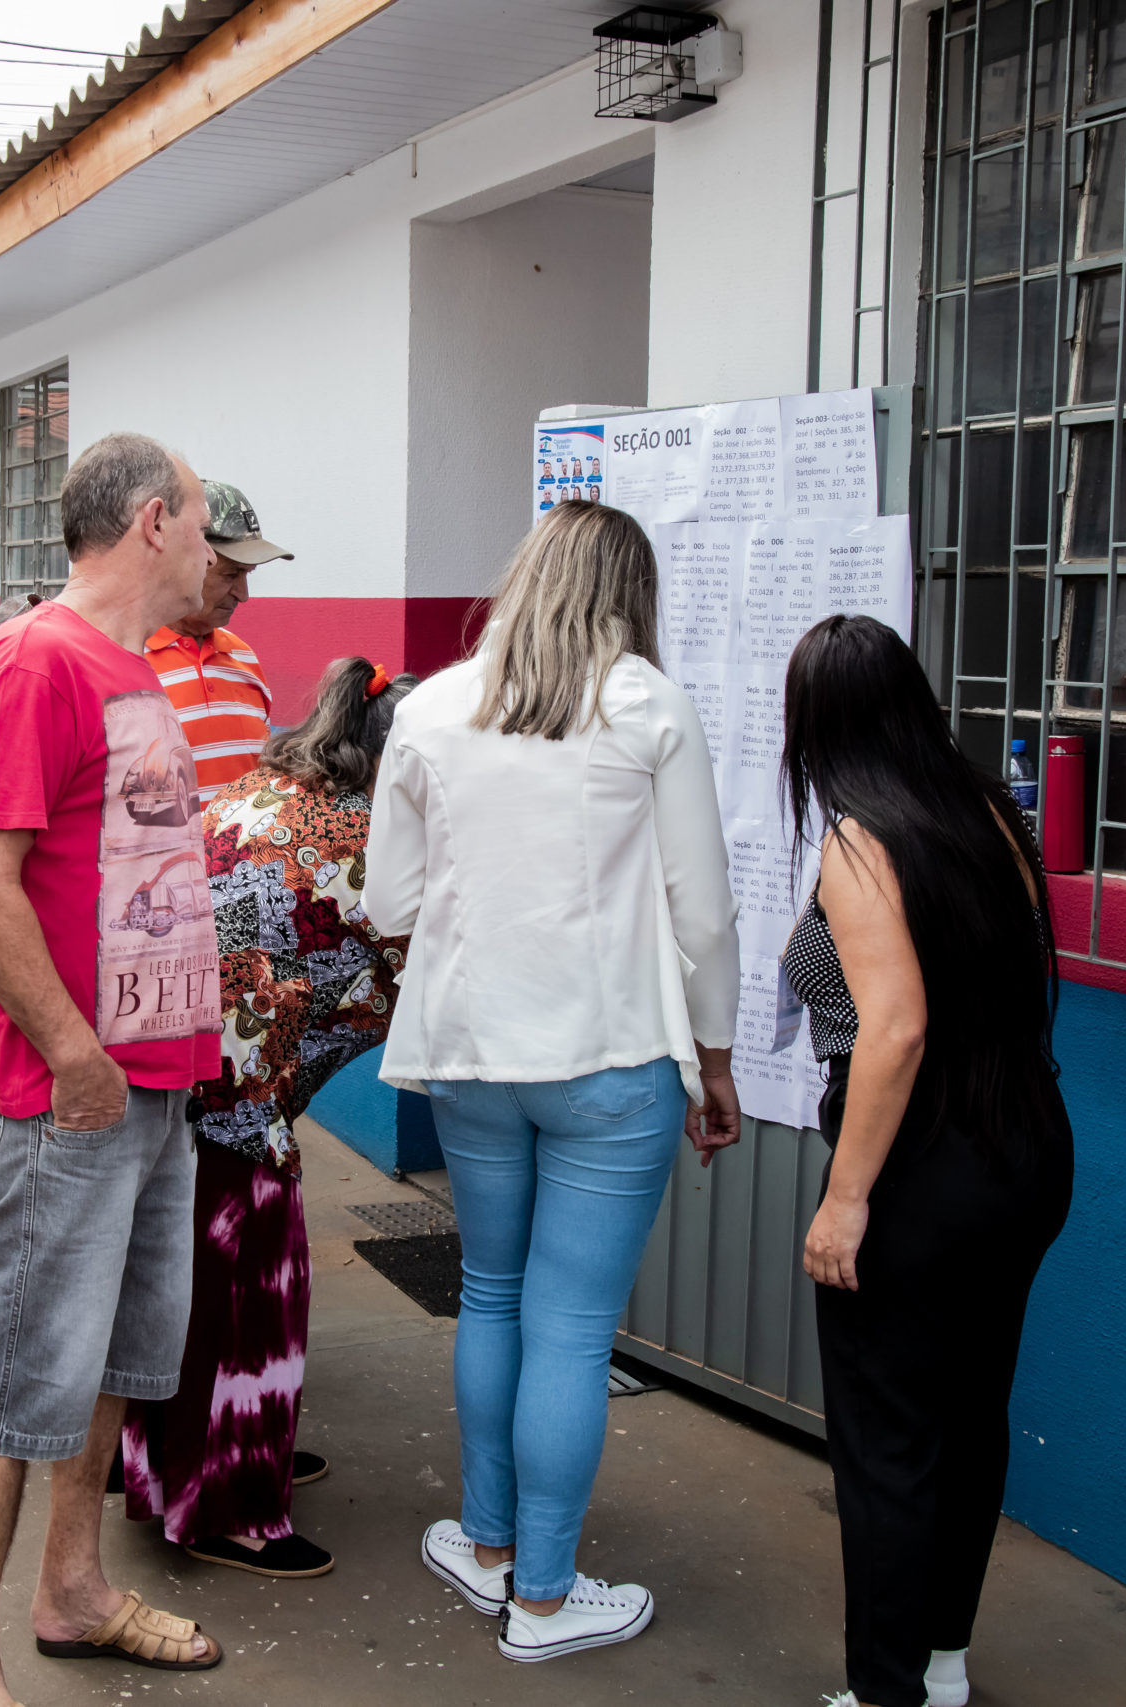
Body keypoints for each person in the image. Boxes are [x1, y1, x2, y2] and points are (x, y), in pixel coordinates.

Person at [364, 498, 742, 1664]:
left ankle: (484, 1545)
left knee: (491, 1295)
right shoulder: (646, 703)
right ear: (631, 592)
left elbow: (388, 905)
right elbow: (702, 913)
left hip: (472, 1059)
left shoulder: (429, 707)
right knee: (572, 1327)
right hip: (611, 1060)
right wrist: (716, 1060)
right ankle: (545, 1597)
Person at [0, 433, 226, 1707]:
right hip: (72, 1097)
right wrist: (73, 1056)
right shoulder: (35, 658)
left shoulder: (128, 667)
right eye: (206, 526)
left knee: (111, 1358)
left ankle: (72, 1591)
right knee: (16, 1384)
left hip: (149, 1086)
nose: (214, 554)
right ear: (154, 522)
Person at [780, 613, 1074, 1707]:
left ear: (817, 724)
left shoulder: (862, 838)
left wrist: (846, 1199)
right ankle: (941, 1661)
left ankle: (885, 1690)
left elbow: (894, 1027)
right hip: (1022, 1148)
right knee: (970, 1415)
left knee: (888, 1439)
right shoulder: (989, 812)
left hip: (919, 1165)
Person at [120, 655, 417, 1581]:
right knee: (252, 1291)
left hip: (178, 1057)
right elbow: (426, 971)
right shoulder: (367, 847)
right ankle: (227, 1504)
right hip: (233, 1084)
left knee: (191, 1286)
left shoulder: (277, 783)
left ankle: (162, 1466)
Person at [143, 480, 285, 808]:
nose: (243, 594)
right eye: (230, 574)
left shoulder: (244, 658)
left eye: (247, 574)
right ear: (183, 558)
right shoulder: (123, 658)